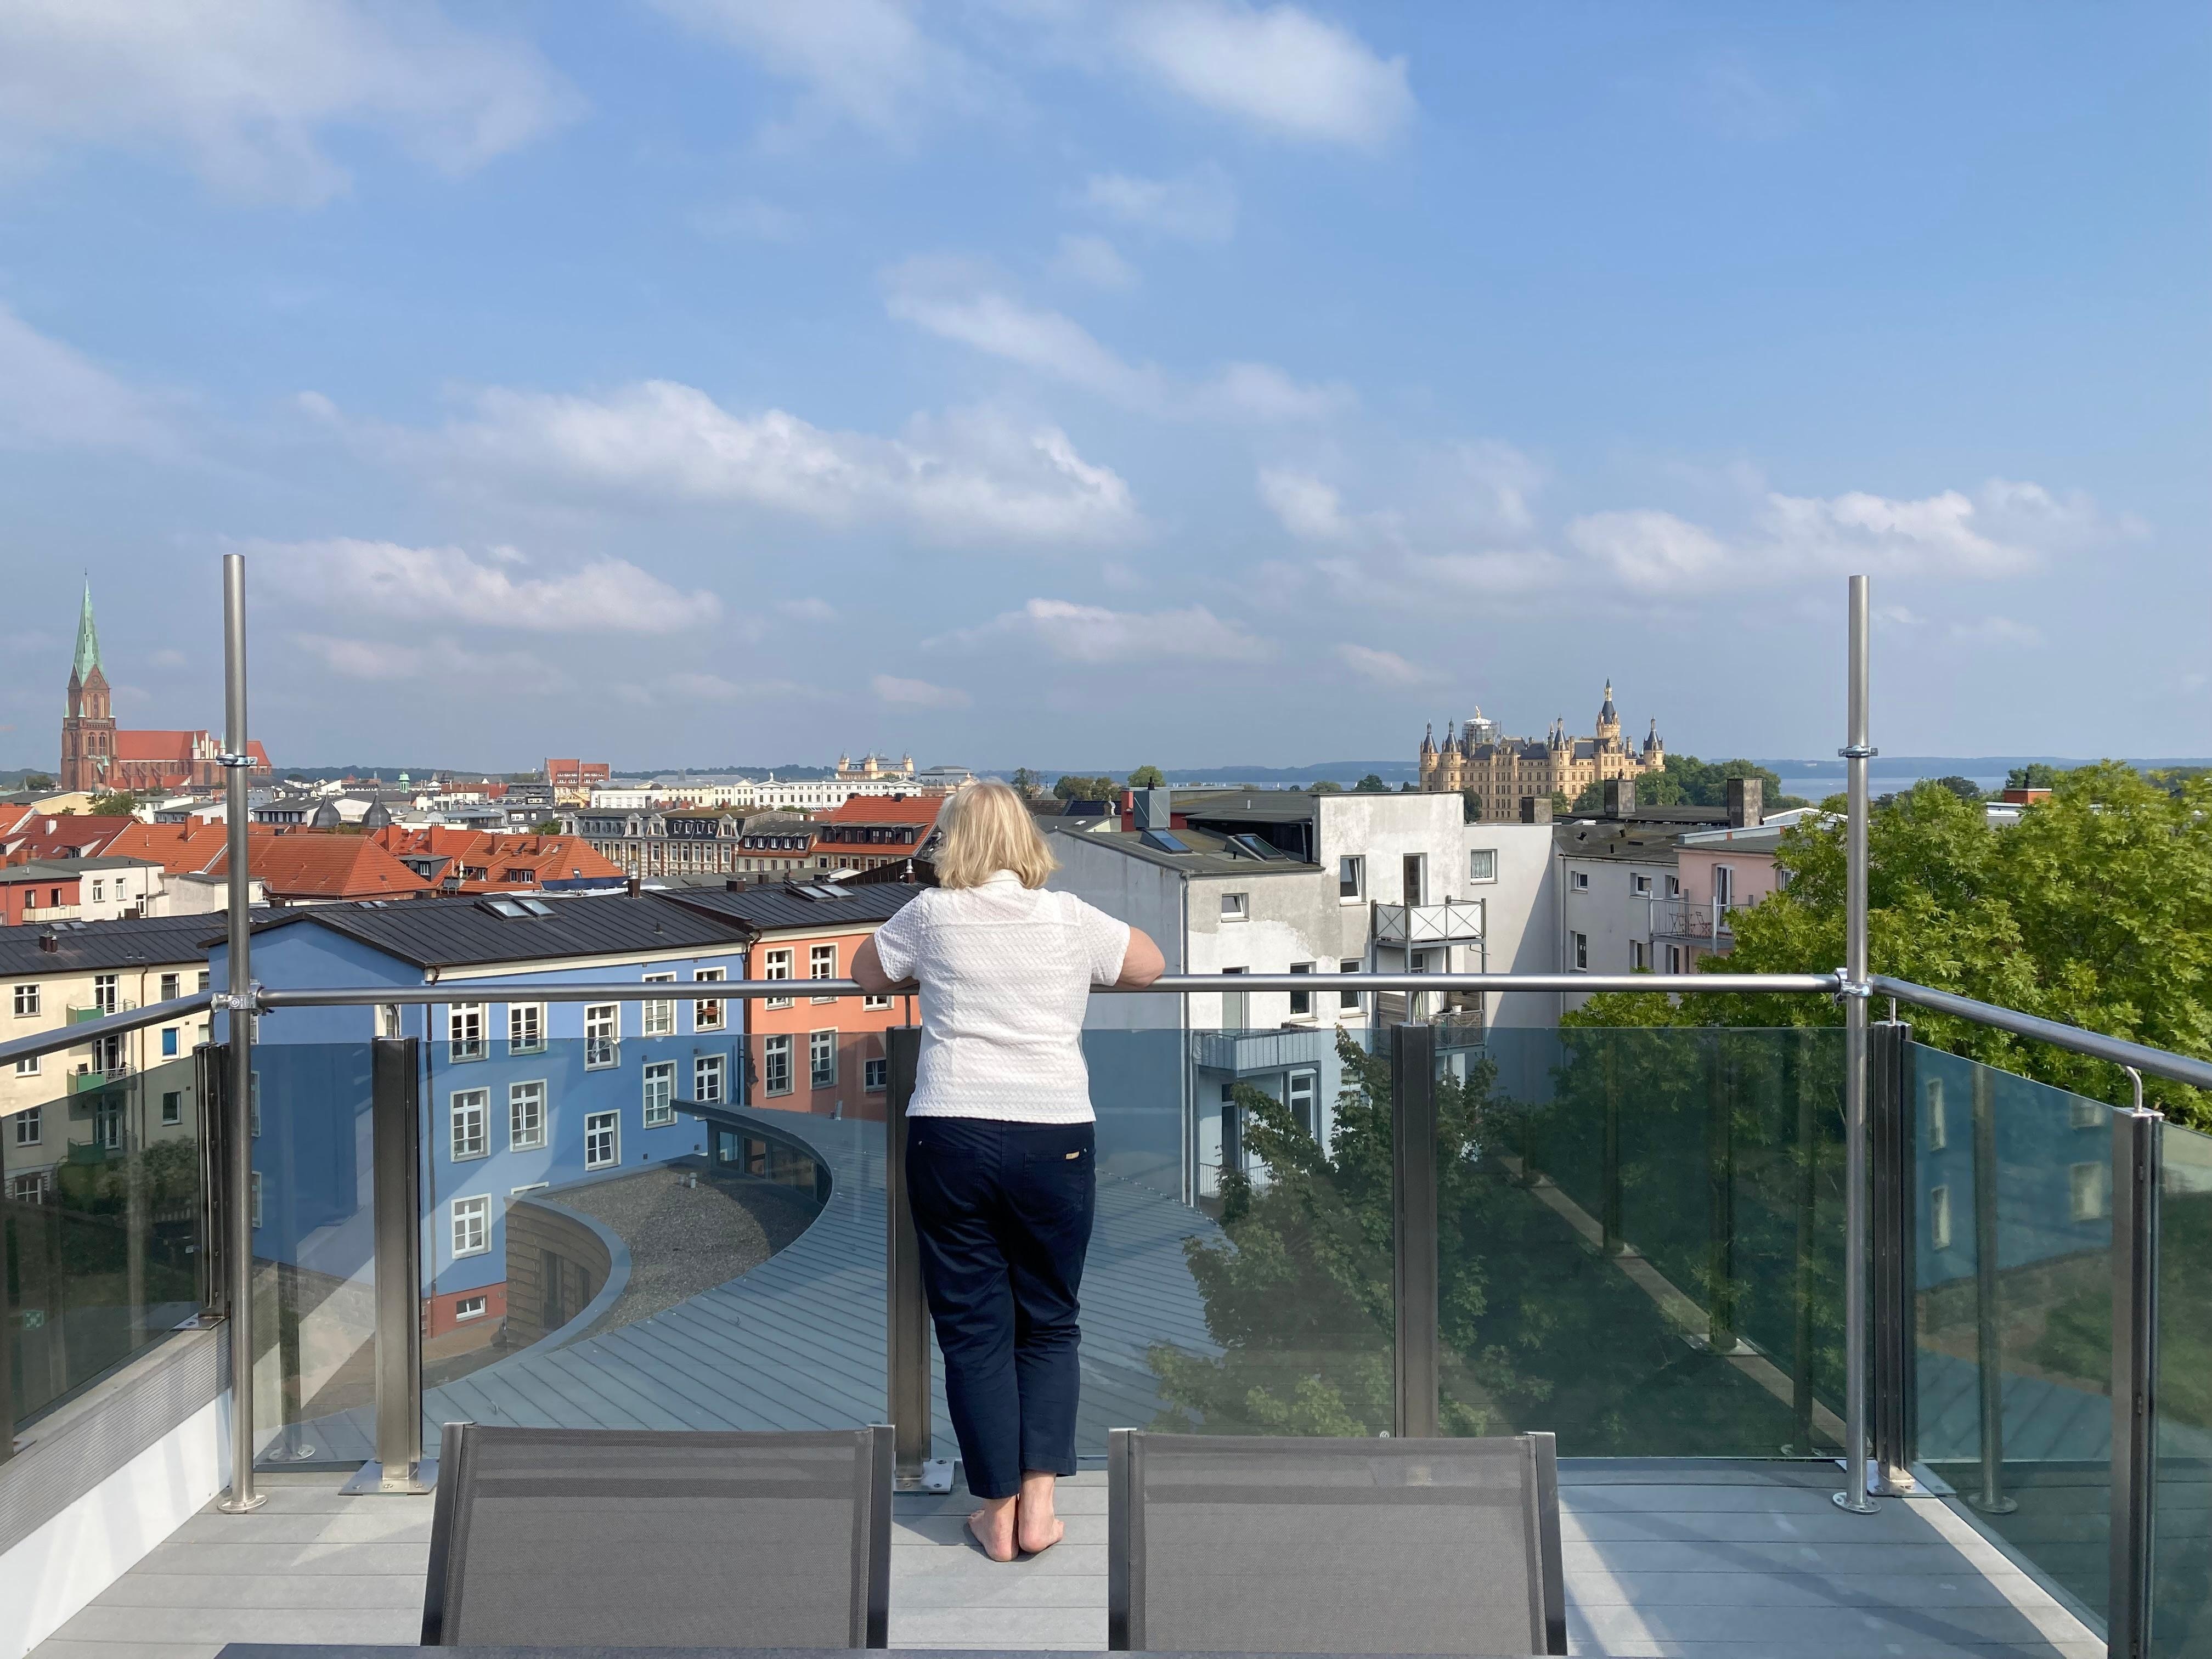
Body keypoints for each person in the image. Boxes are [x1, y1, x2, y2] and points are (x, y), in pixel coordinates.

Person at [855, 780, 1165, 1561]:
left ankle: (992, 1513)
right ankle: (1038, 1508)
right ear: (1026, 841)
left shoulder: (929, 915)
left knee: (973, 1328)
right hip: (1053, 1133)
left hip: (951, 1131)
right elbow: (1151, 966)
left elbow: (865, 974)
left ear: (952, 843)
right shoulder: (1065, 917)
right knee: (1050, 1319)